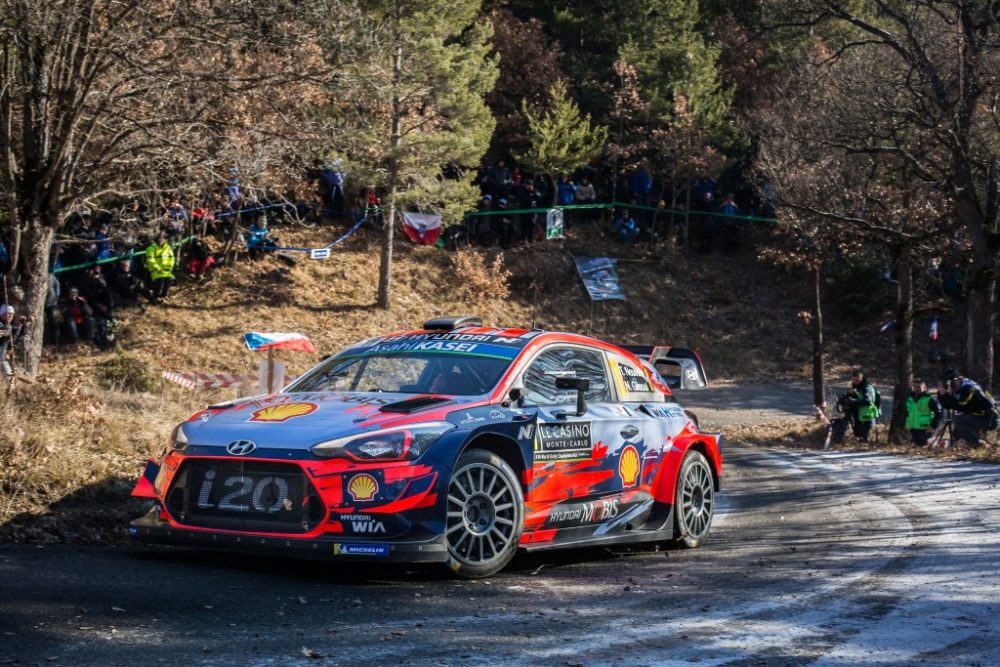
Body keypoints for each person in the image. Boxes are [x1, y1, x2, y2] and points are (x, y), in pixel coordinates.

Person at [937, 370, 998, 447]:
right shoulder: (958, 388)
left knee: (960, 420)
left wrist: (946, 394)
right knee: (957, 430)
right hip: (979, 416)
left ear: (956, 380)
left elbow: (960, 407)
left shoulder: (968, 388)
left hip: (990, 418)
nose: (947, 384)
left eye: (948, 382)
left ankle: (980, 445)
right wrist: (941, 394)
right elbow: (947, 406)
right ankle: (966, 445)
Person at [839, 369, 880, 442]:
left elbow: (868, 401)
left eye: (858, 380)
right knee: (859, 439)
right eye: (854, 381)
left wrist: (853, 401)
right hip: (859, 417)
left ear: (862, 378)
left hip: (867, 417)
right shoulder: (857, 387)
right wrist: (847, 396)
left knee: (864, 440)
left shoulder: (867, 388)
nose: (856, 382)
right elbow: (855, 397)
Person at [905, 379, 943, 447]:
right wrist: (907, 424)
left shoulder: (929, 398)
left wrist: (933, 426)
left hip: (925, 429)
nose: (916, 389)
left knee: (925, 448)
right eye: (914, 387)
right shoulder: (910, 398)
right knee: (916, 450)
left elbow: (939, 413)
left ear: (924, 387)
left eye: (919, 387)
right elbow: (908, 412)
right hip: (913, 428)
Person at [144, 232, 175, 301]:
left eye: (163, 238)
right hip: (155, 269)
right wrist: (157, 268)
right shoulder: (151, 248)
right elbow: (150, 260)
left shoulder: (168, 247)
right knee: (160, 281)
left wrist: (169, 267)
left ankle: (164, 295)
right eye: (159, 238)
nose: (161, 239)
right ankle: (155, 296)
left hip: (166, 269)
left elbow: (171, 258)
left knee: (168, 280)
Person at [1, 304, 26, 382]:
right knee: (9, 377)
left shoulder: (9, 326)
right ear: (2, 315)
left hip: (2, 357)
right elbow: (3, 333)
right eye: (8, 314)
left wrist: (22, 325)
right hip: (1, 358)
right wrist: (7, 332)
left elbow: (13, 339)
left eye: (11, 315)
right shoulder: (1, 324)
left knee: (9, 378)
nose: (10, 316)